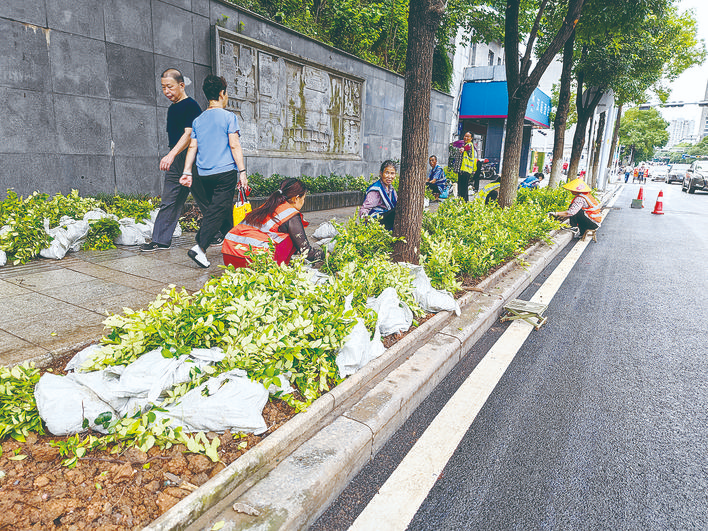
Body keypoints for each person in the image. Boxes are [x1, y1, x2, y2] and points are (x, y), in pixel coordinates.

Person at [179, 75, 247, 268]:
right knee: (217, 210)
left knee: (221, 209)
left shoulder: (198, 120)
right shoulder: (228, 117)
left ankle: (236, 243)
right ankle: (200, 247)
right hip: (225, 172)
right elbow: (234, 146)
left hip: (204, 175)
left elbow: (192, 148)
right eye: (226, 93)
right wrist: (242, 171)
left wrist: (187, 171)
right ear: (222, 93)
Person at [140, 68, 207, 252]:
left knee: (203, 198)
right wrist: (172, 155)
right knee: (169, 199)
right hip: (176, 158)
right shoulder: (172, 108)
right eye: (163, 88)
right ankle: (160, 240)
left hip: (192, 157)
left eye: (169, 87)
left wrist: (171, 155)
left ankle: (218, 232)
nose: (166, 91)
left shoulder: (191, 106)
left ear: (181, 85)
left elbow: (189, 134)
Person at [222, 178, 323, 267]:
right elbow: (305, 251)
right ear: (296, 198)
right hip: (254, 261)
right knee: (291, 237)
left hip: (229, 255)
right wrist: (325, 254)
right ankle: (278, 266)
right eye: (303, 198)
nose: (303, 202)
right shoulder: (290, 215)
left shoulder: (269, 205)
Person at [360, 160, 397, 230]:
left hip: (387, 217)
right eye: (387, 173)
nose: (389, 176)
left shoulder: (391, 189)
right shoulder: (376, 189)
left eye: (392, 173)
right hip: (377, 220)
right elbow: (365, 208)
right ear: (381, 173)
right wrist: (365, 218)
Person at [457, 131, 477, 201]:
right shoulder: (465, 145)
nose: (466, 138)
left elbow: (467, 148)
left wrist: (463, 149)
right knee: (463, 189)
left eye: (468, 137)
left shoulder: (470, 145)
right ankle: (465, 203)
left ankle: (462, 202)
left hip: (465, 171)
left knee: (462, 189)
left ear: (471, 138)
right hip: (463, 171)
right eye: (465, 136)